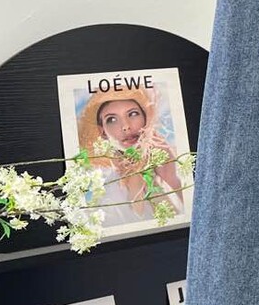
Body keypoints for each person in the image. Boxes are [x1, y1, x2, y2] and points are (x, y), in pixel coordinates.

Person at [74, 82, 185, 224]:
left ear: (145, 118)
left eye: (133, 114)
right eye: (112, 119)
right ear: (103, 132)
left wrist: (172, 178)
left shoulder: (174, 159)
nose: (126, 126)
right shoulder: (103, 190)